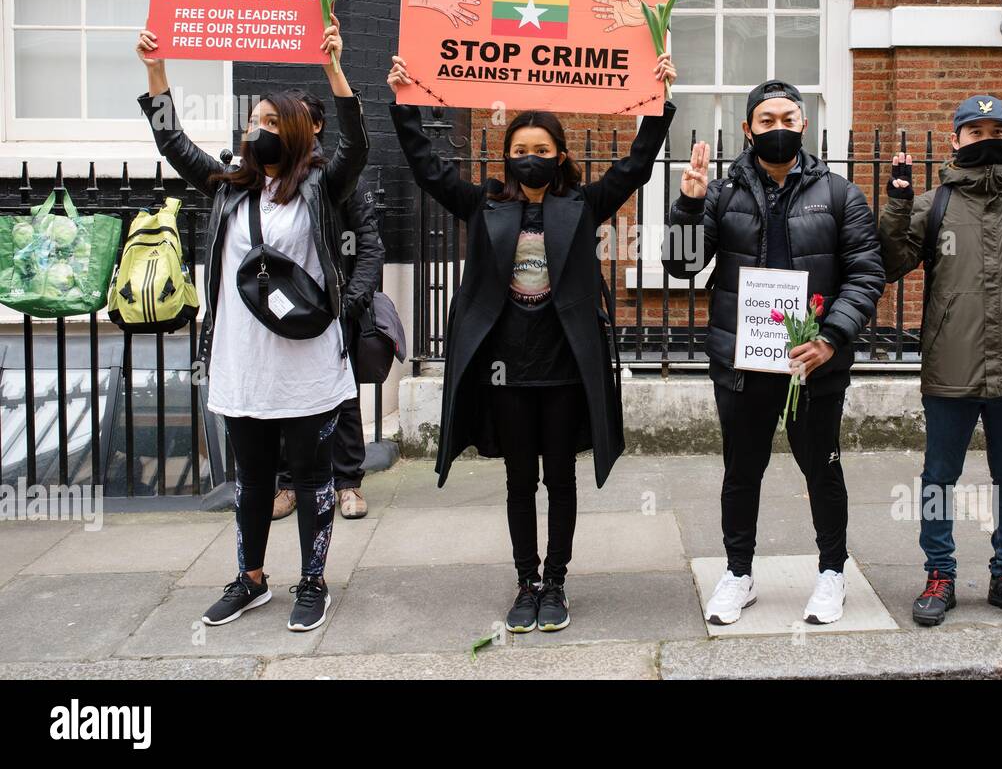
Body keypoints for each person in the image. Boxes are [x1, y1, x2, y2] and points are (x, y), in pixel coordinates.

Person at [387, 51, 676, 634]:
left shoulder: (582, 205)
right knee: (521, 480)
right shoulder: (486, 205)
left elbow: (636, 166)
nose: (531, 158)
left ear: (560, 156)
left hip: (565, 367)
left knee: (561, 478)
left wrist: (661, 99)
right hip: (506, 371)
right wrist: (405, 104)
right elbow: (428, 170)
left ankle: (558, 582)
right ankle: (526, 582)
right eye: (521, 149)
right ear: (508, 155)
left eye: (543, 150)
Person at [136, 15, 368, 632]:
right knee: (253, 480)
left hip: (304, 361)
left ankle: (312, 582)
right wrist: (156, 73)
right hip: (242, 361)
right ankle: (251, 578)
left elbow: (358, 146)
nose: (256, 130)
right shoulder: (228, 188)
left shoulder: (321, 188)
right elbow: (172, 143)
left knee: (313, 478)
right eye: (252, 120)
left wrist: (334, 68)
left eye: (270, 122)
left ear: (293, 132)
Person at [662, 79, 885, 627]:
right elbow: (682, 267)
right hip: (742, 361)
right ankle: (739, 574)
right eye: (766, 121)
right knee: (742, 471)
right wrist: (688, 206)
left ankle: (832, 572)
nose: (778, 129)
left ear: (804, 124)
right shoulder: (721, 194)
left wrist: (831, 337)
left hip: (815, 362)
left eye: (788, 118)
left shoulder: (840, 194)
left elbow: (865, 273)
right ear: (747, 129)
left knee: (823, 468)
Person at [878, 95, 1002, 628]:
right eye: (974, 131)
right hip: (950, 363)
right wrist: (895, 204)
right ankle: (939, 574)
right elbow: (892, 264)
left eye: (995, 129)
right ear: (954, 140)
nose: (986, 138)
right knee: (938, 476)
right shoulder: (933, 204)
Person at [272, 90, 384, 521]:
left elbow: (370, 244)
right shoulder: (269, 175)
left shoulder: (336, 175)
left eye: (291, 120)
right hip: (283, 307)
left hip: (334, 308)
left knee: (343, 399)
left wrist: (350, 302)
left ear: (316, 126)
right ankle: (288, 485)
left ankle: (348, 485)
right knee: (281, 395)